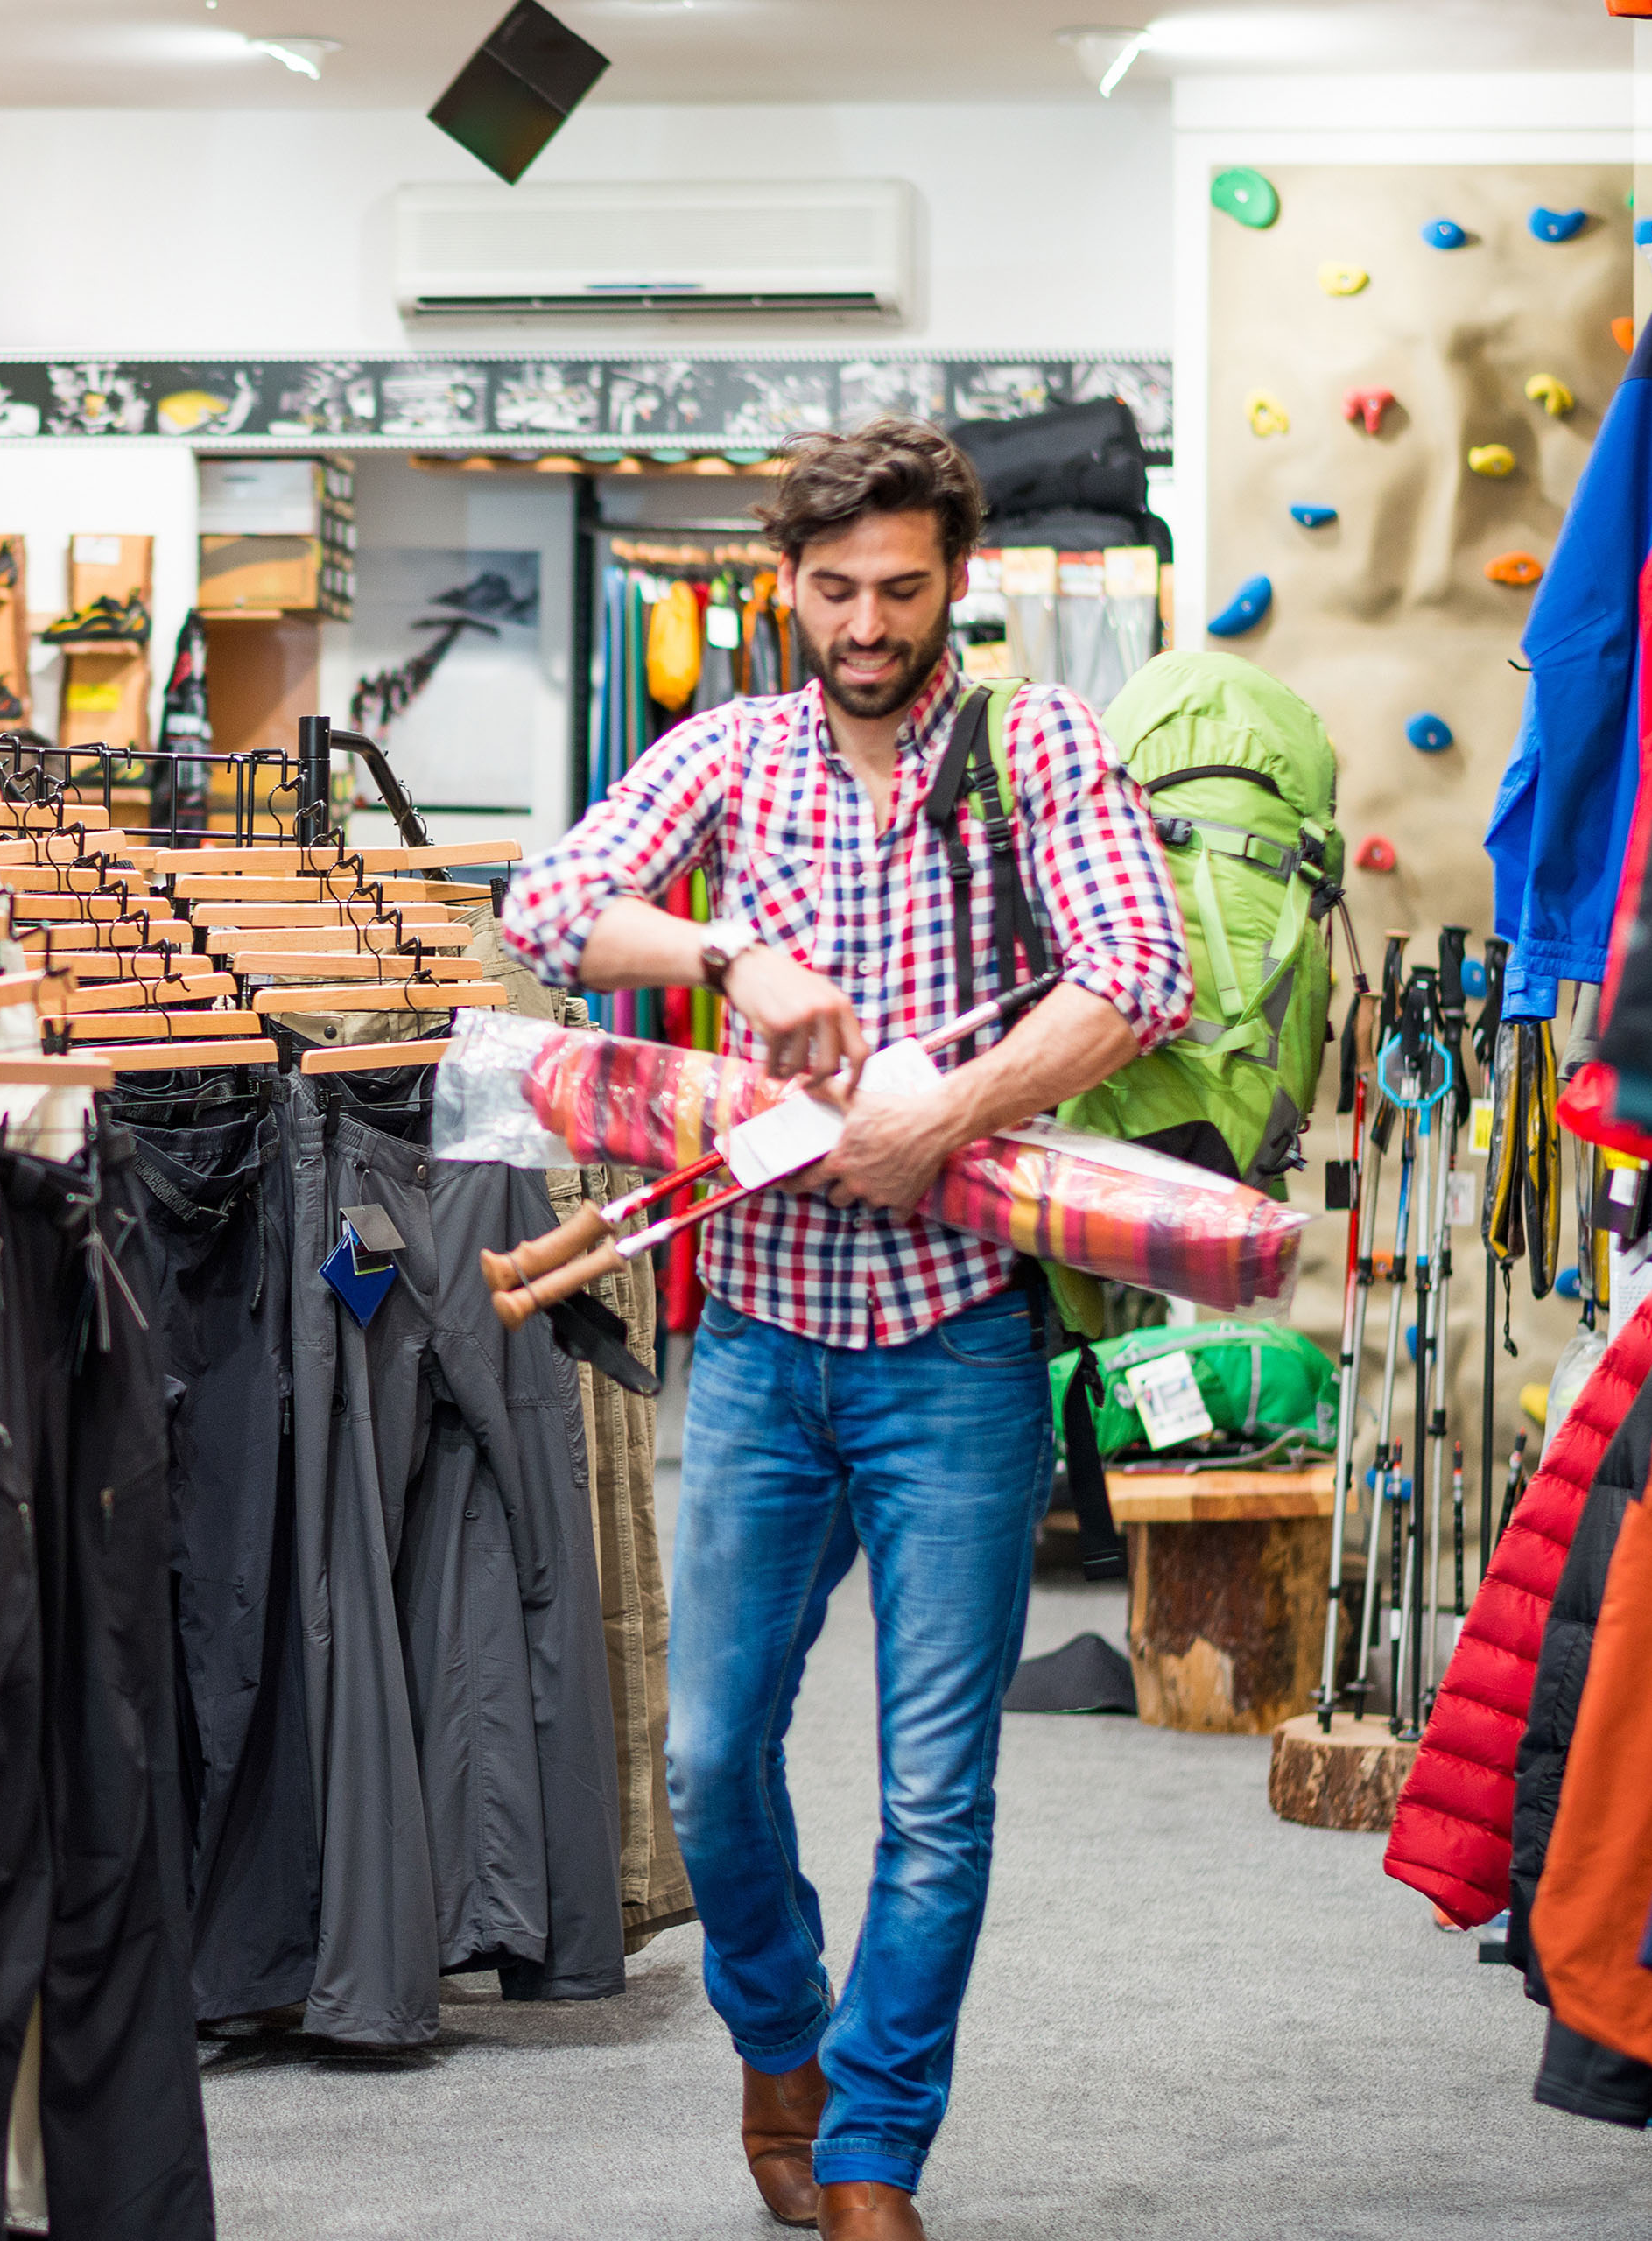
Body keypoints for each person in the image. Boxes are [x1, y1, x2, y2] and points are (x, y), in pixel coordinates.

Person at [501, 418, 1192, 2241]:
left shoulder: (1035, 742)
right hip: (761, 1347)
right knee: (713, 1754)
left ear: (955, 577)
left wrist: (939, 1120)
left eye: (901, 587)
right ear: (786, 588)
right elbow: (547, 903)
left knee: (934, 1791)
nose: (869, 621)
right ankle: (780, 2036)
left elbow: (1142, 971)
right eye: (836, 589)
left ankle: (876, 2143)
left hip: (957, 1350)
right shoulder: (732, 749)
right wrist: (732, 956)